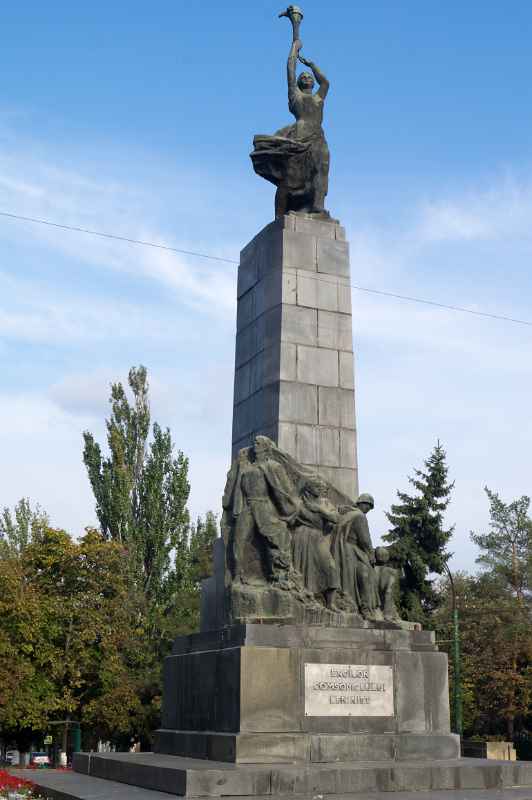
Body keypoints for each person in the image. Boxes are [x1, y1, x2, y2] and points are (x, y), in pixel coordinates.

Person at [251, 37, 330, 217]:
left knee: (320, 169)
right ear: (300, 84)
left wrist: (312, 66)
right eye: (304, 77)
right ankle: (281, 213)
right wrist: (294, 48)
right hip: (299, 137)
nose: (307, 77)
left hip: (317, 138)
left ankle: (317, 205)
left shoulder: (319, 97)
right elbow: (291, 71)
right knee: (291, 177)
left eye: (309, 76)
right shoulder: (295, 97)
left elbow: (325, 83)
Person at [290, 476, 340, 608]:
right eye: (317, 486)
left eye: (321, 486)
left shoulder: (324, 503)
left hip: (319, 537)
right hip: (302, 536)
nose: (321, 489)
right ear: (309, 488)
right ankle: (306, 599)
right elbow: (290, 519)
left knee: (330, 566)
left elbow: (335, 518)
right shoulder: (299, 503)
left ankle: (331, 603)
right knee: (303, 569)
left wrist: (319, 510)